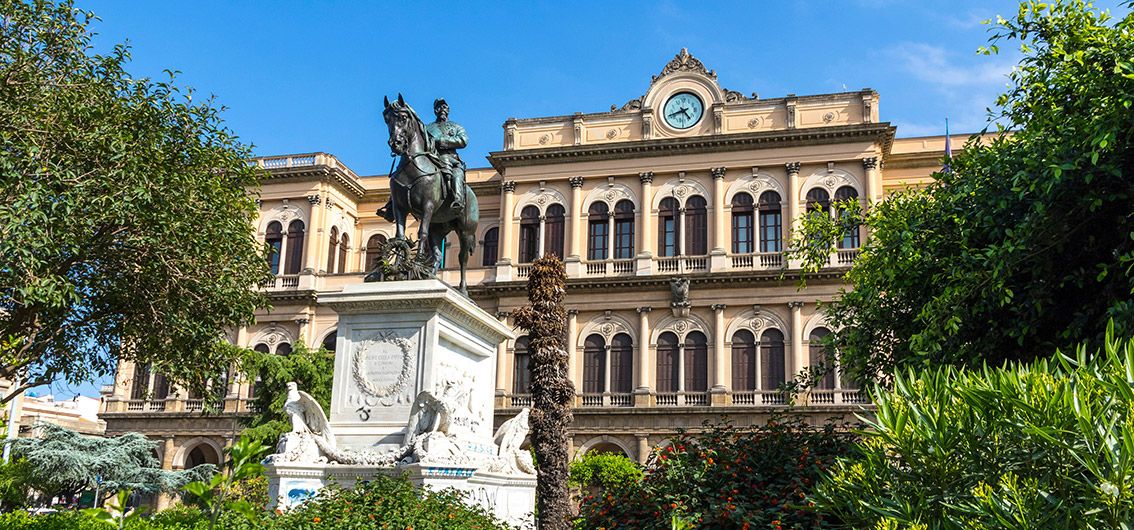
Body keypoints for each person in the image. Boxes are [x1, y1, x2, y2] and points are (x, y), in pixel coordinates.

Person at [426, 98, 468, 213]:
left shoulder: (456, 127)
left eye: (444, 107)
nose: (442, 109)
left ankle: (458, 200)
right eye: (439, 107)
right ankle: (392, 205)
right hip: (432, 159)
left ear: (448, 109)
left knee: (457, 174)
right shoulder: (427, 128)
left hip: (451, 159)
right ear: (435, 110)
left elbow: (463, 141)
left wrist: (441, 141)